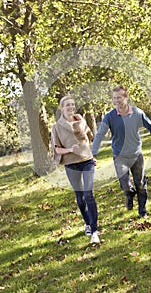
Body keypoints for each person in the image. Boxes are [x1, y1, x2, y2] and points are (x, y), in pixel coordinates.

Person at [91, 85, 151, 218]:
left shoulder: (137, 113)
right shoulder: (110, 116)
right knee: (126, 185)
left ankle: (142, 211)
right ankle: (129, 194)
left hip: (136, 155)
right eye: (114, 98)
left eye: (119, 97)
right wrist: (93, 153)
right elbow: (99, 135)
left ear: (126, 97)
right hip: (119, 156)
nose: (117, 101)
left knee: (141, 185)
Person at [51, 95, 100, 244]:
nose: (71, 107)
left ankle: (94, 231)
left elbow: (89, 138)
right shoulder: (57, 127)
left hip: (87, 162)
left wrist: (91, 155)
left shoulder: (81, 121)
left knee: (88, 194)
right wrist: (70, 149)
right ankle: (87, 223)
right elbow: (57, 150)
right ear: (62, 108)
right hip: (71, 164)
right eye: (67, 105)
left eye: (73, 104)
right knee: (80, 197)